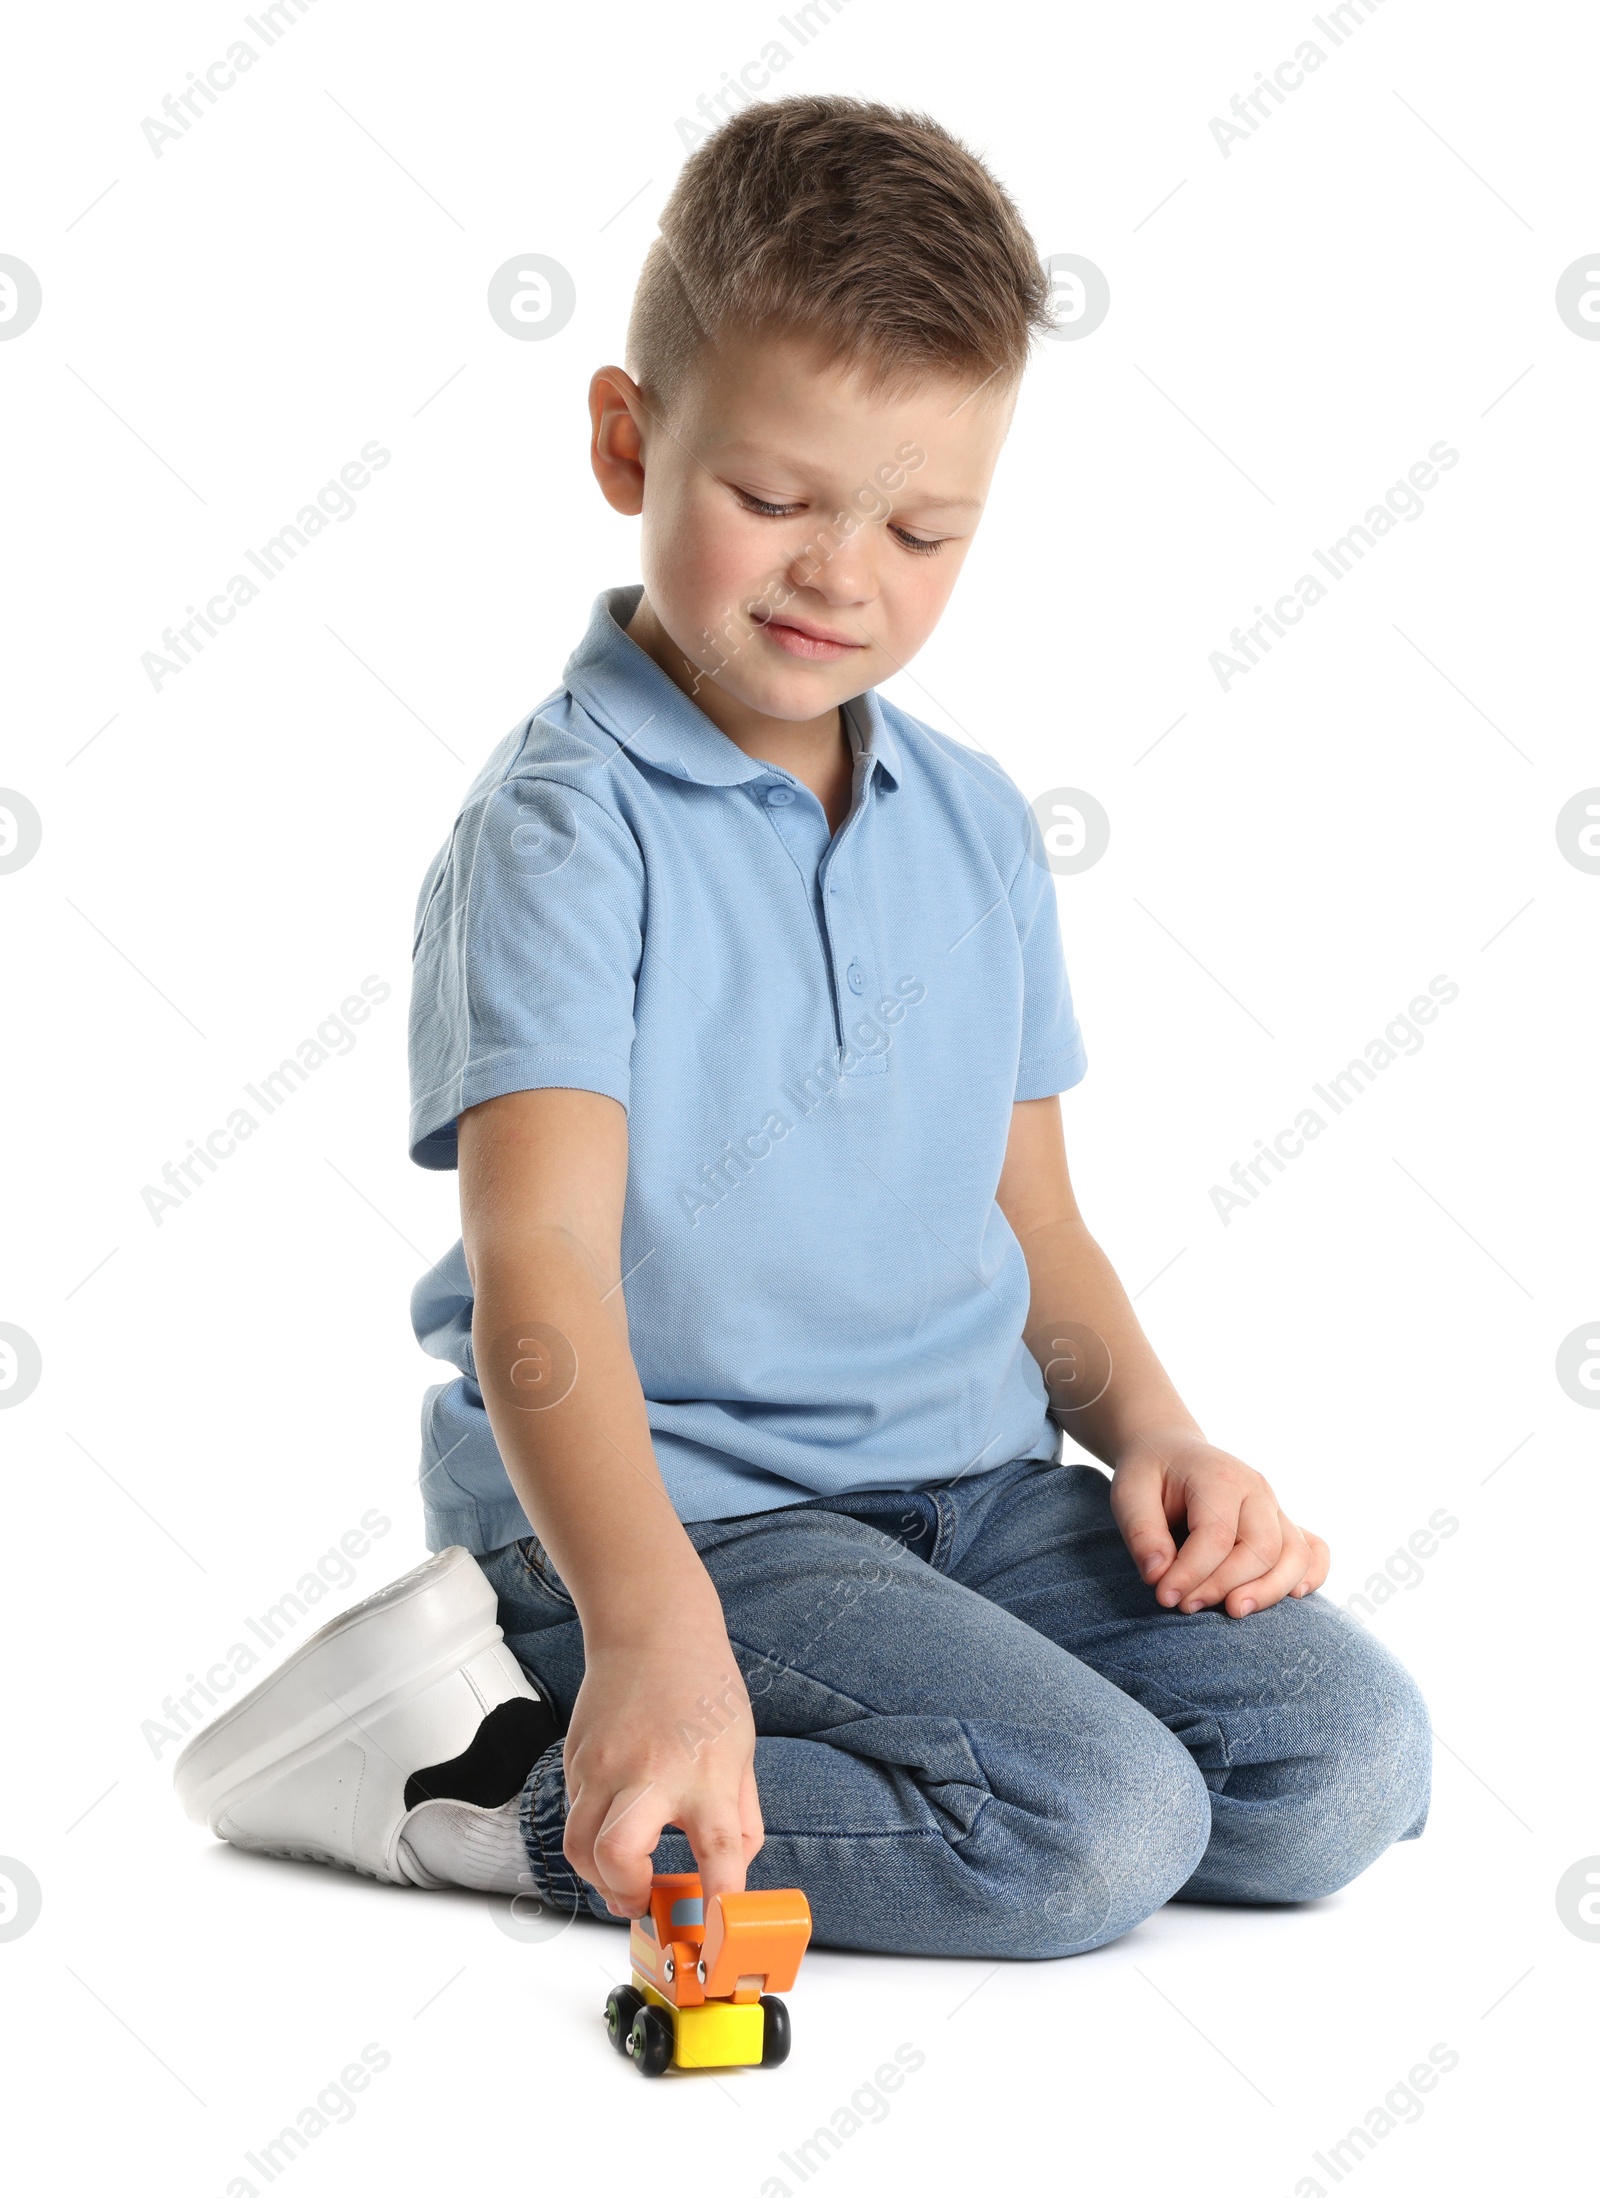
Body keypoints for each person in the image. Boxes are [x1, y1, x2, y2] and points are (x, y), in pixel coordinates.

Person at [174, 95, 1430, 1958]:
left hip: (981, 1493)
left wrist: (1161, 1433)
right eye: (775, 498)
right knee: (1093, 1827)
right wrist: (652, 1623)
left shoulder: (983, 824)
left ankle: (877, 1732)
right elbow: (540, 1274)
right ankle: (478, 1791)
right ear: (629, 439)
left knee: (1343, 1759)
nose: (844, 573)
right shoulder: (568, 828)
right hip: (678, 1517)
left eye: (922, 528)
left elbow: (1038, 1225)